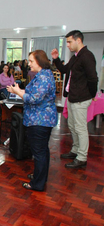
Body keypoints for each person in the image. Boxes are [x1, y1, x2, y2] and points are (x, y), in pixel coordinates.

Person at [7, 50, 58, 191]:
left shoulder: (43, 78)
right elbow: (32, 93)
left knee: (39, 152)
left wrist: (18, 93)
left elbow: (34, 99)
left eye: (31, 61)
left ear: (39, 62)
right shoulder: (43, 75)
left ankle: (37, 184)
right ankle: (40, 176)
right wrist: (18, 90)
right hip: (42, 119)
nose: (28, 64)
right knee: (42, 151)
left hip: (40, 120)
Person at [51, 30, 98, 168]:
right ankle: (76, 150)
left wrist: (92, 94)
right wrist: (56, 59)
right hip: (72, 97)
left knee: (80, 128)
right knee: (72, 126)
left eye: (69, 42)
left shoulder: (87, 56)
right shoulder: (75, 57)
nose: (68, 45)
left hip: (81, 98)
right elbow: (65, 70)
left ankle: (82, 158)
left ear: (78, 40)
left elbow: (93, 78)